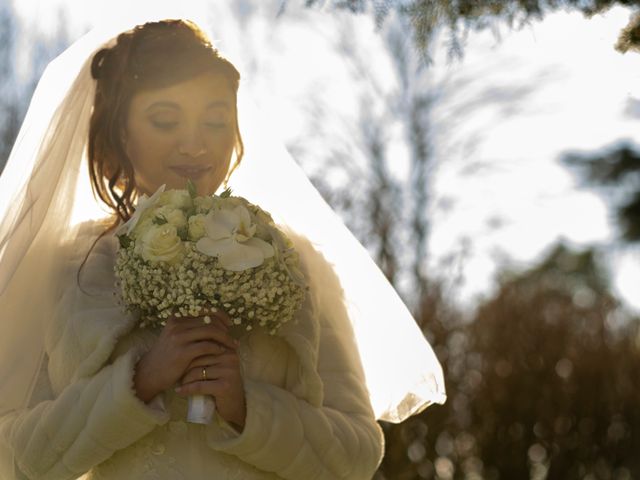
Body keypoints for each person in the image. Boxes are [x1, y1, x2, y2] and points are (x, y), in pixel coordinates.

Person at [0, 15, 445, 480]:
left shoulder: (291, 262)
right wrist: (140, 380)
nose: (195, 144)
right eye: (165, 120)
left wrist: (247, 408)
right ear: (121, 131)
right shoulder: (67, 268)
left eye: (215, 120)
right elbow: (16, 457)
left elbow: (356, 453)